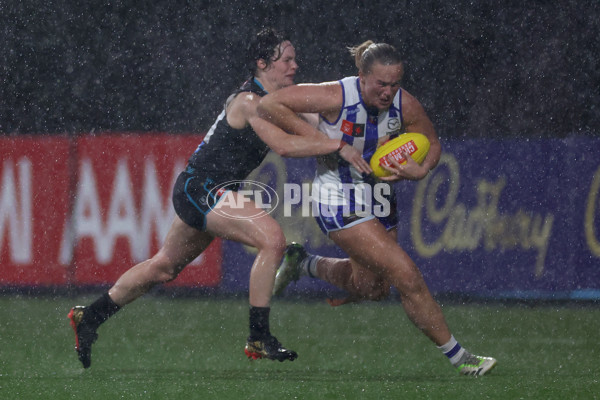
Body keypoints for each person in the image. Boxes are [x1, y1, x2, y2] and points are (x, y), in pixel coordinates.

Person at [67, 28, 370, 368]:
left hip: (208, 190)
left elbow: (326, 118)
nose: (295, 66)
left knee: (164, 267)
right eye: (286, 60)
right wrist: (338, 146)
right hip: (202, 188)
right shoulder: (249, 102)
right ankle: (258, 336)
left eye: (294, 59)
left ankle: (89, 317)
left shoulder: (280, 101)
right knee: (272, 240)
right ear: (261, 64)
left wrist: (365, 95)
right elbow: (288, 145)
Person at [259, 40, 497, 376]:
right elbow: (269, 104)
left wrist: (423, 169)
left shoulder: (404, 104)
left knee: (373, 288)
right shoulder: (335, 96)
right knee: (406, 275)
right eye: (380, 84)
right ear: (362, 77)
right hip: (337, 200)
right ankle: (462, 358)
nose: (388, 92)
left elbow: (432, 143)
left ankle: (304, 264)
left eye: (394, 84)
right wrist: (326, 143)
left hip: (379, 198)